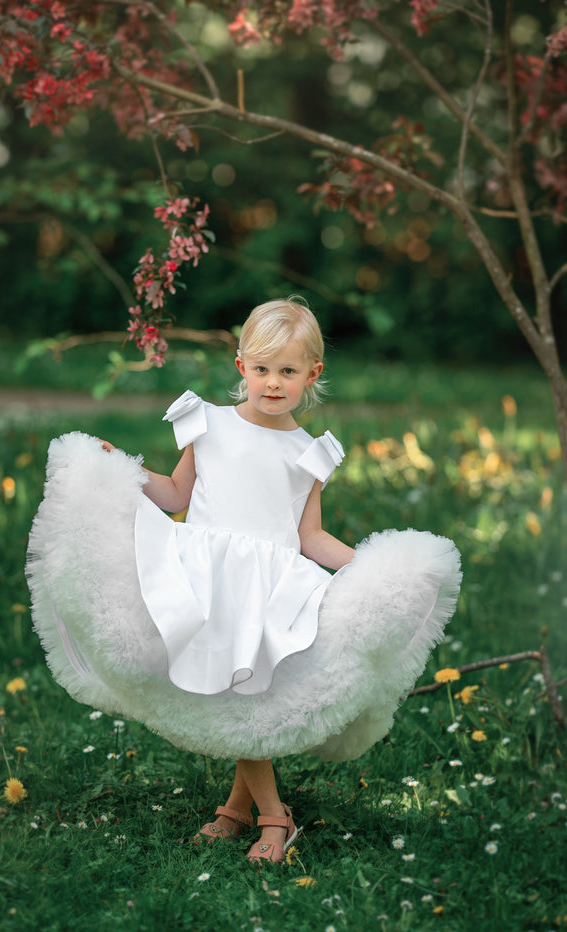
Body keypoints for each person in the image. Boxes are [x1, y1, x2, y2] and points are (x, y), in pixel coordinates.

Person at [27, 297, 461, 865]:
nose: (273, 383)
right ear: (241, 368)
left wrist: (366, 566)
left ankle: (241, 810)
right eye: (262, 369)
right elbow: (177, 496)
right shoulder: (205, 423)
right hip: (203, 583)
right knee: (231, 693)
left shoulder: (308, 452)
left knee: (245, 698)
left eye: (287, 371)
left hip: (263, 592)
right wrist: (124, 473)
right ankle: (271, 815)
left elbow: (309, 536)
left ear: (313, 375)